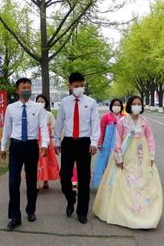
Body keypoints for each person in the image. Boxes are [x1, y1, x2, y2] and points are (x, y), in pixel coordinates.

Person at [92, 96, 163, 229]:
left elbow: (150, 139)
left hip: (142, 157)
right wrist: (119, 158)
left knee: (143, 181)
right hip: (125, 156)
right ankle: (122, 210)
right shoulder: (122, 122)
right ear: (130, 106)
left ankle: (142, 211)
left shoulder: (144, 121)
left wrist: (152, 156)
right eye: (134, 104)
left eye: (139, 104)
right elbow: (118, 140)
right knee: (124, 180)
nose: (137, 106)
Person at [1, 78, 48, 230]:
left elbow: (44, 127)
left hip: (31, 147)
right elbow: (7, 128)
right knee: (13, 182)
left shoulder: (38, 108)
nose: (26, 90)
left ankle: (31, 210)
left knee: (31, 181)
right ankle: (15, 216)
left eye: (29, 87)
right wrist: (3, 146)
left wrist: (45, 144)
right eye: (23, 87)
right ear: (17, 90)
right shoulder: (11, 108)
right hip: (15, 146)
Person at [55, 72, 100, 224]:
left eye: (82, 85)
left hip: (84, 143)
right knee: (65, 175)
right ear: (70, 86)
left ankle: (82, 212)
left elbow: (95, 123)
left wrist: (94, 142)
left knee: (83, 177)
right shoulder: (64, 102)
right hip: (68, 142)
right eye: (76, 86)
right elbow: (59, 122)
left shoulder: (91, 102)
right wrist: (56, 140)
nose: (79, 88)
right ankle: (70, 198)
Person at [92, 99, 125, 189]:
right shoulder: (106, 117)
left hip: (119, 145)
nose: (117, 107)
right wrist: (100, 142)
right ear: (111, 106)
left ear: (121, 107)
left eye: (118, 105)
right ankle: (101, 184)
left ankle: (117, 184)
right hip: (106, 145)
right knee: (103, 163)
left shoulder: (124, 118)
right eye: (115, 105)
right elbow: (101, 131)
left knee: (117, 163)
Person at [35, 94, 60, 190]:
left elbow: (54, 128)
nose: (40, 103)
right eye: (38, 101)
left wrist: (54, 142)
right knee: (35, 161)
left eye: (42, 101)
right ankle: (35, 182)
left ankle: (46, 180)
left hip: (46, 142)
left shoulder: (49, 114)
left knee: (46, 161)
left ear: (46, 103)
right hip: (35, 142)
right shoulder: (33, 114)